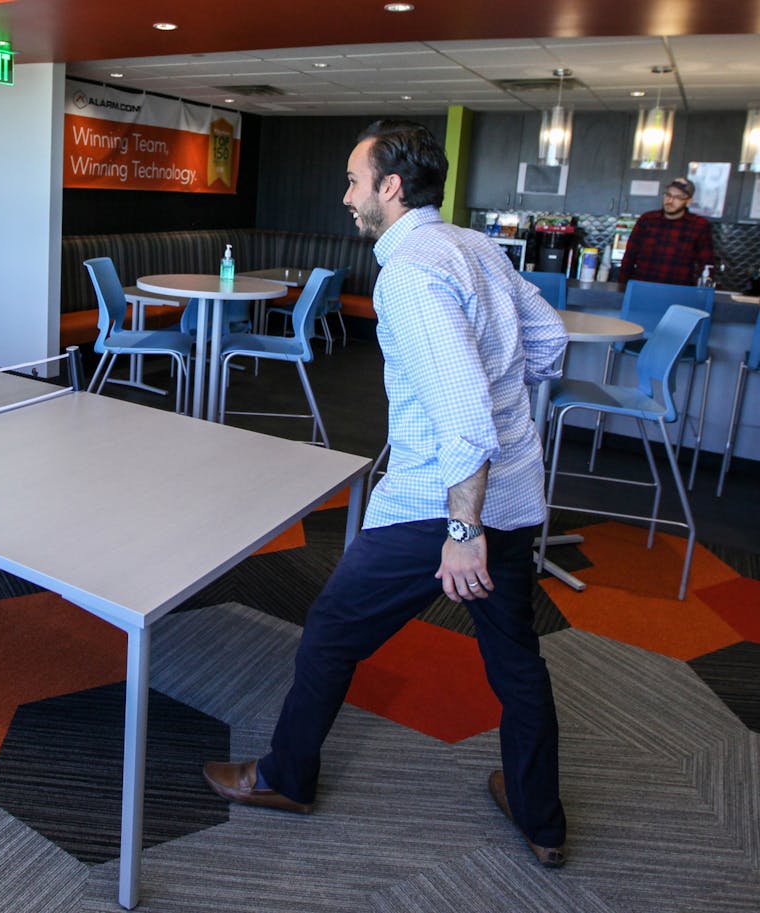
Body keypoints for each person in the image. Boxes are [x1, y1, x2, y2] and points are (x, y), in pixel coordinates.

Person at [203, 120, 571, 868]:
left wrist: (462, 532)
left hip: (443, 507)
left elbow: (465, 413)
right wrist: (507, 398)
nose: (346, 196)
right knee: (517, 659)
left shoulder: (408, 272)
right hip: (512, 499)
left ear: (391, 188)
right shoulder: (475, 246)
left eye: (353, 181)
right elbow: (550, 342)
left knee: (333, 629)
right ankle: (542, 818)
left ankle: (284, 777)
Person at [615, 177, 715, 289]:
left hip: (678, 291)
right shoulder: (647, 219)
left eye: (678, 197)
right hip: (642, 287)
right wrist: (622, 285)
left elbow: (707, 263)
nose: (670, 200)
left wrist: (702, 291)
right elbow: (630, 255)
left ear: (689, 201)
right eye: (668, 195)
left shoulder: (699, 225)